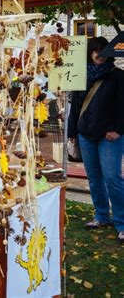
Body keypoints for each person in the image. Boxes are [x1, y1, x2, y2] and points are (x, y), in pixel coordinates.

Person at [67, 36, 124, 244]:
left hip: (110, 136)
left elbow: (122, 105)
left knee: (112, 177)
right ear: (89, 53)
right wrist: (72, 131)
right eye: (94, 51)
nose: (98, 55)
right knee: (94, 177)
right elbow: (75, 106)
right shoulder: (81, 75)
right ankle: (101, 216)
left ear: (109, 53)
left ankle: (122, 222)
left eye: (102, 51)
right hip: (86, 134)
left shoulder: (117, 76)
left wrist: (118, 129)